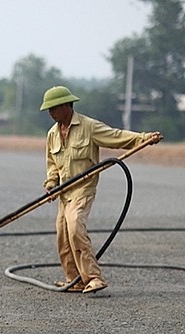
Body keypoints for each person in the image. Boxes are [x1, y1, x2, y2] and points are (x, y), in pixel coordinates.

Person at [39, 85, 162, 294]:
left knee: (75, 226)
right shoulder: (52, 134)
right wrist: (51, 184)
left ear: (67, 105)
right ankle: (74, 279)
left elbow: (116, 136)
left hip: (83, 189)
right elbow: (52, 164)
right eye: (48, 109)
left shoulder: (89, 127)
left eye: (53, 108)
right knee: (62, 234)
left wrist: (143, 138)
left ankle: (94, 278)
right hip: (64, 192)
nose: (50, 113)